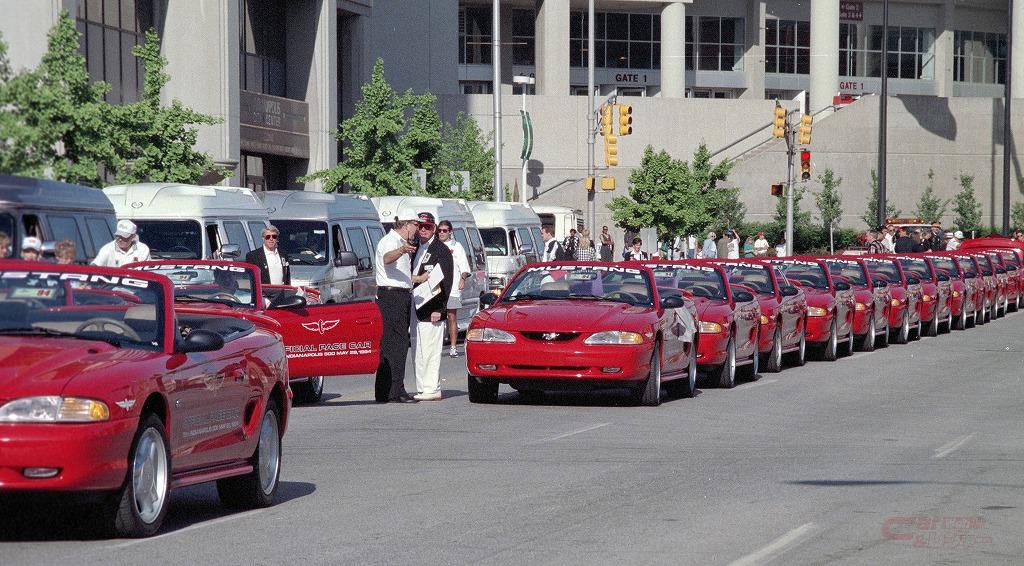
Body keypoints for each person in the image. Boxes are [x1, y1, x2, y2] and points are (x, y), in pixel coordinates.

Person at [373, 213, 426, 404]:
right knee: (398, 345)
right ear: (406, 225)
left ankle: (385, 391)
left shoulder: (398, 242)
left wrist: (418, 279)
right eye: (416, 225)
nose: (417, 230)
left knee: (390, 345)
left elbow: (398, 275)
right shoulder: (392, 241)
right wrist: (402, 250)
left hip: (397, 294)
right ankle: (396, 391)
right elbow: (387, 258)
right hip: (392, 297)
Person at [410, 212, 454, 401]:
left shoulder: (440, 250)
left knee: (430, 350)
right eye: (420, 226)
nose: (423, 230)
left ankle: (432, 388)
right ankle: (422, 387)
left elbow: (447, 281)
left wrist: (440, 308)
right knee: (418, 349)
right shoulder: (415, 248)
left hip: (433, 307)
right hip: (416, 305)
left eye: (427, 227)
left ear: (434, 228)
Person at [437, 220, 470, 358]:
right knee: (436, 317)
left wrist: (462, 279)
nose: (441, 233)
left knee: (451, 316)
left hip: (452, 288)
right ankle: (436, 347)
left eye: (444, 230)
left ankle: (453, 347)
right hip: (437, 288)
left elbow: (464, 267)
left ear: (450, 232)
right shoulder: (434, 246)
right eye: (439, 230)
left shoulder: (457, 246)